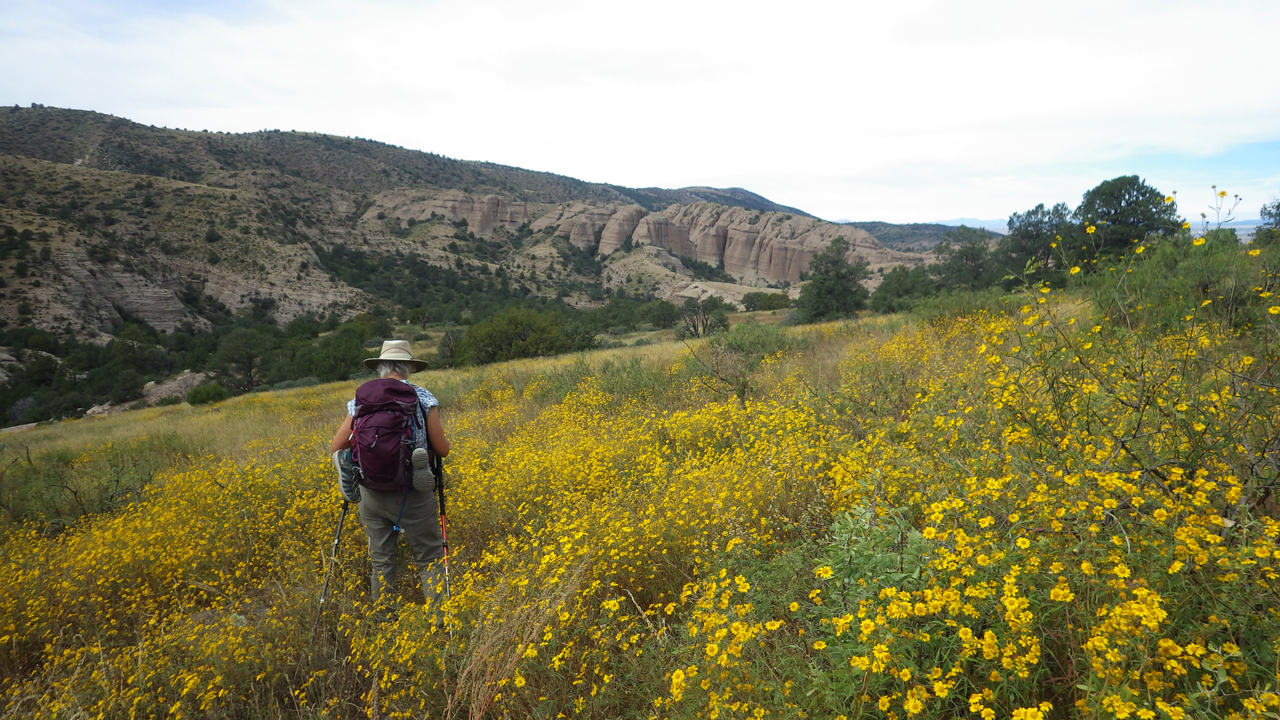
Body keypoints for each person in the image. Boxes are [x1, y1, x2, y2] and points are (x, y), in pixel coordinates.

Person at [330, 339, 451, 608]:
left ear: (381, 367)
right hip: (413, 493)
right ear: (409, 367)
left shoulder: (361, 400)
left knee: (382, 559)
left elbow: (337, 446)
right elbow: (442, 450)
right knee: (429, 557)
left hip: (370, 491)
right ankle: (440, 621)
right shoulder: (424, 397)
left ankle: (384, 620)